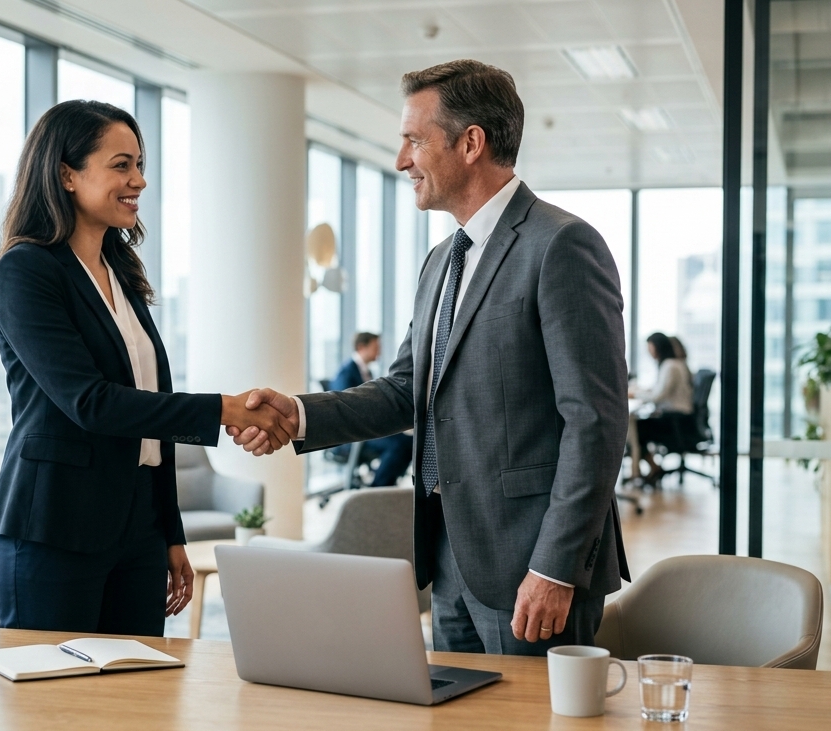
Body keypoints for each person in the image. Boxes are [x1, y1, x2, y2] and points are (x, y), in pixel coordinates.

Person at [232, 60, 630, 656]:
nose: (401, 160)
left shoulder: (561, 246)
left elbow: (595, 424)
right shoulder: (442, 260)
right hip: (449, 559)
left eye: (414, 140)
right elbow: (404, 390)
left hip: (531, 566)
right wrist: (297, 413)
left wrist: (555, 567)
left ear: (471, 143)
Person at [0, 100, 293, 636]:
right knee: (55, 709)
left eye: (141, 165)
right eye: (122, 165)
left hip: (136, 533)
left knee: (140, 705)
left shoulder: (119, 274)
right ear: (66, 174)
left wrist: (168, 533)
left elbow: (150, 417)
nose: (140, 181)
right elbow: (91, 403)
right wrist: (222, 408)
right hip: (54, 528)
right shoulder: (26, 270)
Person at [327, 333, 414, 487]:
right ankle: (378, 489)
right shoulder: (347, 372)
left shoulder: (366, 372)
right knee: (399, 445)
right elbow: (343, 409)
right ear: (362, 347)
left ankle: (386, 483)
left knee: (408, 440)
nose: (379, 352)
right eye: (376, 348)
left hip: (366, 432)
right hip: (352, 437)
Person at [630, 332, 694, 487]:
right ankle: (651, 468)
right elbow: (659, 391)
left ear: (658, 347)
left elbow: (658, 396)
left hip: (676, 420)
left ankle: (650, 469)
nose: (649, 351)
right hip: (677, 417)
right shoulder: (673, 364)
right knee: (638, 425)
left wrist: (634, 393)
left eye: (650, 347)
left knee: (636, 429)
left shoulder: (670, 366)